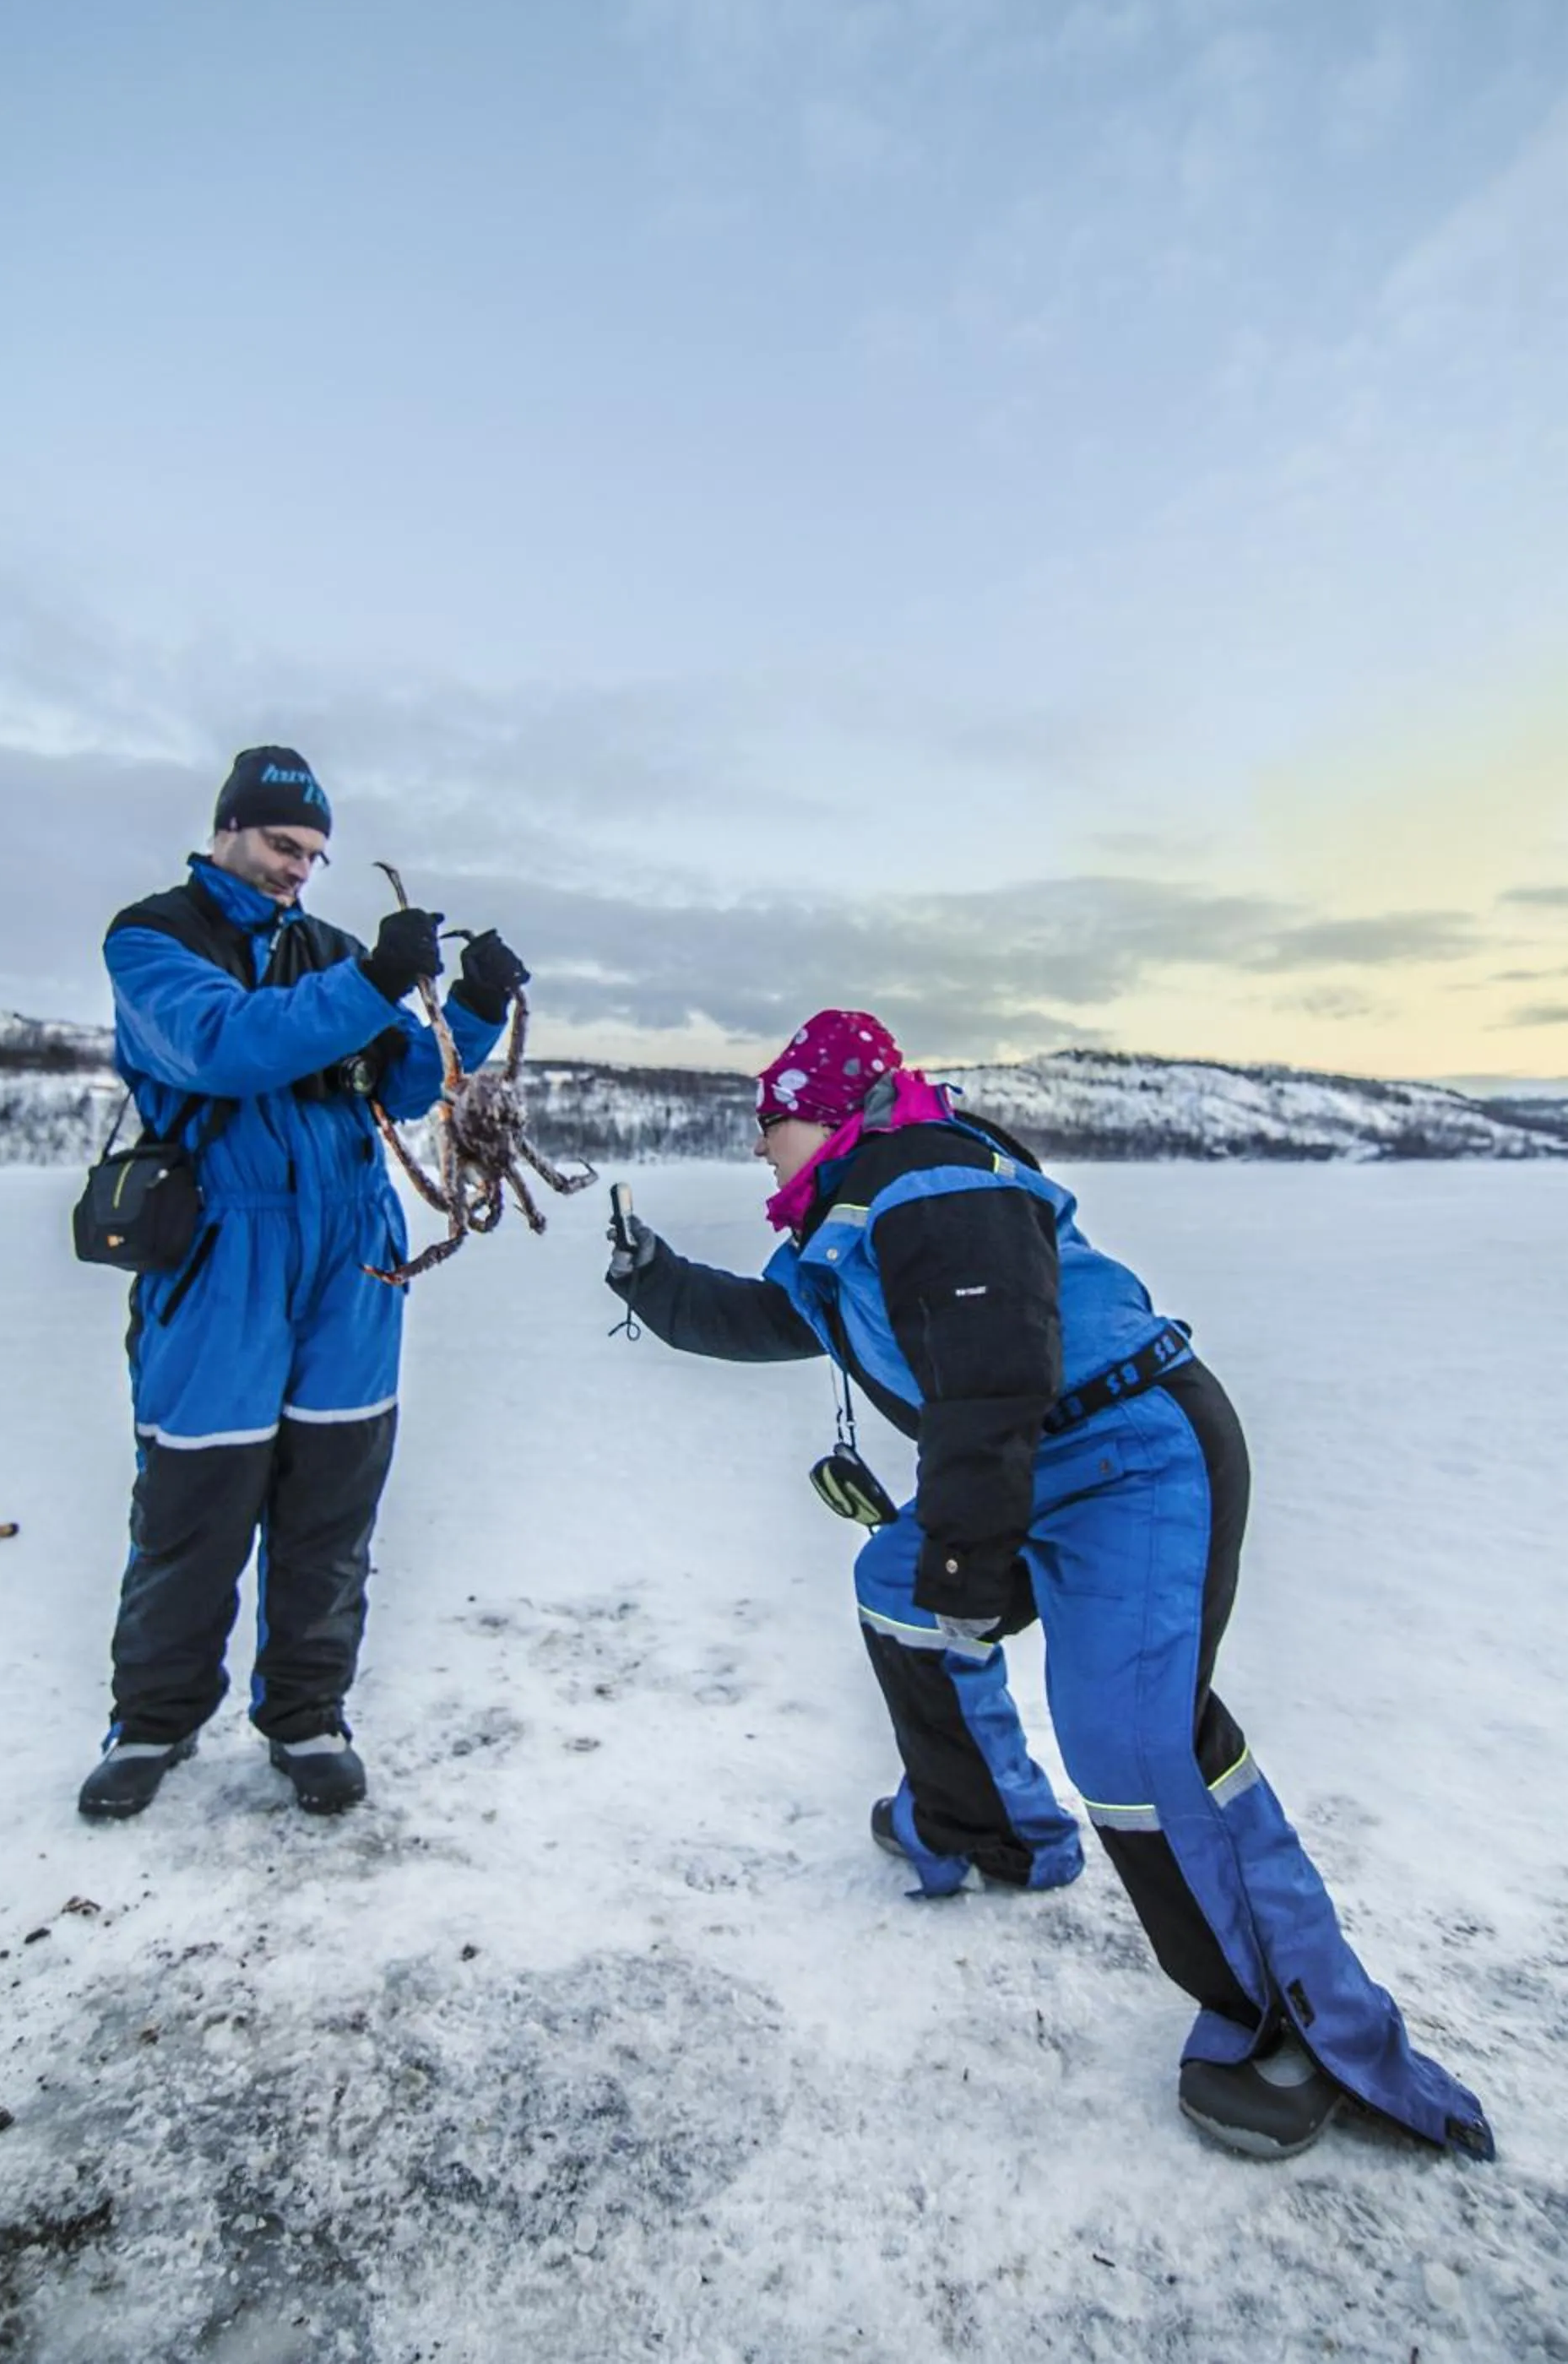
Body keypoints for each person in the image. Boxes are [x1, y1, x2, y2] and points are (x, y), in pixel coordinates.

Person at [605, 1007, 1494, 2163]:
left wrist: (966, 1558)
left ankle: (1292, 2024)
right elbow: (778, 1317)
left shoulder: (927, 1181)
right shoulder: (853, 1214)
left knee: (1133, 1744)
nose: (756, 1145)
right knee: (896, 1586)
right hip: (1038, 1458)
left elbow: (990, 1379)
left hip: (1131, 1457)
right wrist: (655, 1280)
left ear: (823, 1113)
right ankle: (992, 1828)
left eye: (767, 1121)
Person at [78, 746, 528, 1821]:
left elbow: (408, 1081)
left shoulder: (326, 950)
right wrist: (370, 981)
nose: (297, 868)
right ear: (228, 827)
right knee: (194, 1499)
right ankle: (153, 1721)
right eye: (283, 844)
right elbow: (223, 1046)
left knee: (332, 1499)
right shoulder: (155, 937)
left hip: (351, 1248)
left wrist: (470, 1006)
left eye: (314, 855)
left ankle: (308, 1714)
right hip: (221, 1245)